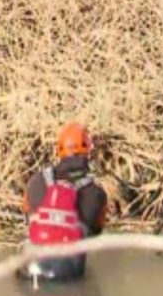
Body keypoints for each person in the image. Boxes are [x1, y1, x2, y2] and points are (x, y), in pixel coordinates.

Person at [19, 121, 109, 283]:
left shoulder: (36, 181)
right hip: (67, 274)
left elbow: (26, 214)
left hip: (31, 269)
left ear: (59, 150)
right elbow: (96, 232)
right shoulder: (97, 194)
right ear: (88, 151)